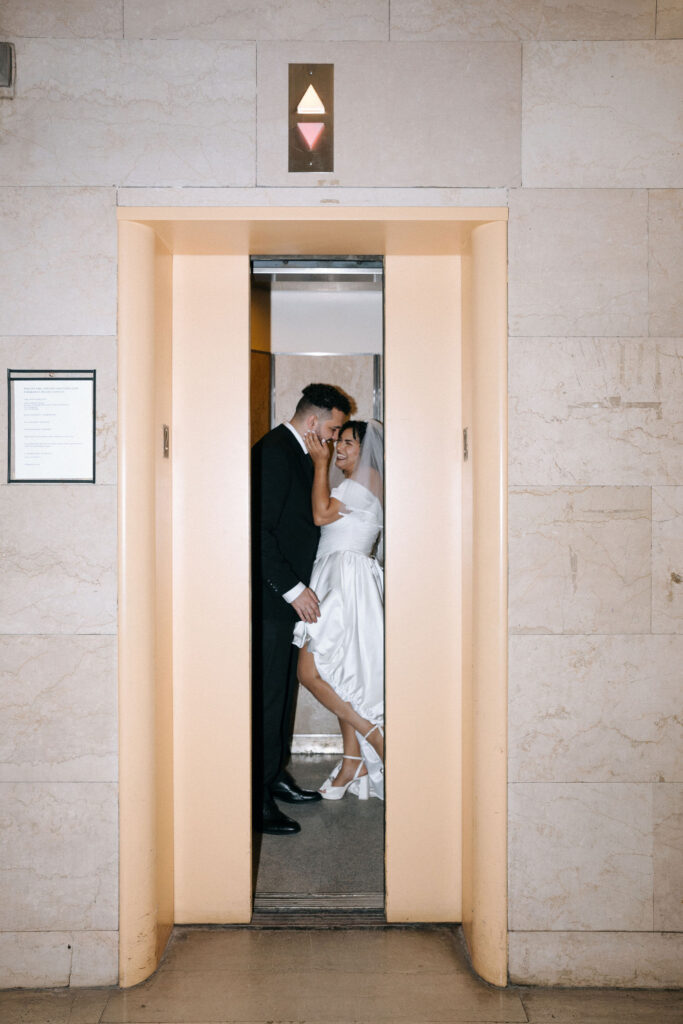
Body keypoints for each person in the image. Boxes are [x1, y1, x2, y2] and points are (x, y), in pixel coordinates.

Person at [251, 383, 351, 835]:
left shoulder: (301, 452)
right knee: (267, 698)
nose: (334, 437)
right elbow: (258, 532)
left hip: (289, 599)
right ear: (313, 422)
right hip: (271, 600)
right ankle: (255, 800)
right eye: (333, 428)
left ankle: (273, 778)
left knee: (281, 695)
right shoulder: (272, 452)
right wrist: (293, 589)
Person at [293, 420, 385, 800]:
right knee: (337, 674)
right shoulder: (355, 486)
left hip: (346, 583)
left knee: (310, 671)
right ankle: (353, 761)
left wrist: (319, 463)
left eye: (349, 443)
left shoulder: (365, 482)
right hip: (337, 577)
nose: (339, 448)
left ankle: (377, 738)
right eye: (339, 441)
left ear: (367, 449)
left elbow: (320, 514)